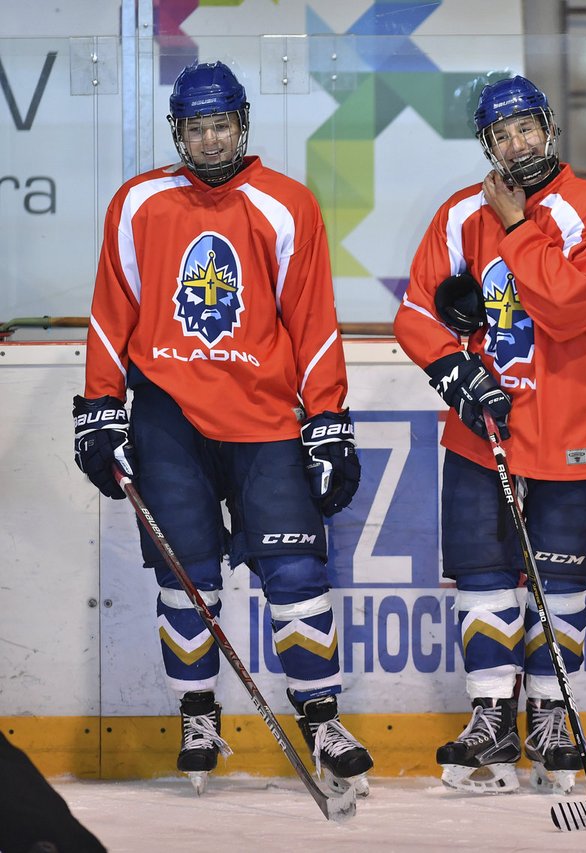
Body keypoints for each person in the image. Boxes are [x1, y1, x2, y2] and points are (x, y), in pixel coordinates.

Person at [71, 60, 372, 796]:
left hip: (265, 417)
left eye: (221, 125)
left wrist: (327, 417)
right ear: (180, 130)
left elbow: (313, 321)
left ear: (243, 124)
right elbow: (113, 312)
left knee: (298, 574)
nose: (209, 141)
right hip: (169, 418)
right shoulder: (138, 202)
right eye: (196, 128)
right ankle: (198, 714)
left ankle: (322, 717)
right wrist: (99, 409)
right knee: (186, 577)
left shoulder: (285, 204)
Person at [393, 74, 586, 795]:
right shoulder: (458, 214)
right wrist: (452, 371)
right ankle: (493, 716)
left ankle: (553, 714)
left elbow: (565, 307)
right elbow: (416, 312)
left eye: (527, 128)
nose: (516, 143)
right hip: (483, 429)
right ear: (486, 144)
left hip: (569, 428)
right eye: (501, 135)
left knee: (560, 578)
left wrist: (518, 225)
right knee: (482, 573)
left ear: (550, 128)